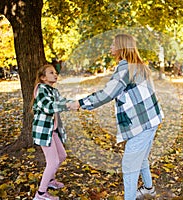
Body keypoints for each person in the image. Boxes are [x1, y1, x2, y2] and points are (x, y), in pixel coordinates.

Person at [68, 34, 164, 200]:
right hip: (151, 120)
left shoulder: (126, 67)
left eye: (113, 44)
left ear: (121, 47)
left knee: (129, 167)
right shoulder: (139, 66)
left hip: (141, 124)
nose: (110, 47)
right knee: (141, 159)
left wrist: (80, 103)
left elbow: (107, 93)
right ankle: (149, 189)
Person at [32, 64, 72, 200]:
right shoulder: (41, 89)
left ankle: (50, 180)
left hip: (52, 130)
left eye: (55, 73)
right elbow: (48, 107)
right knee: (53, 161)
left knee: (62, 155)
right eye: (51, 73)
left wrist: (78, 103)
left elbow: (62, 102)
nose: (55, 75)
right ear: (43, 77)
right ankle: (41, 194)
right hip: (44, 131)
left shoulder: (53, 91)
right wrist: (67, 105)